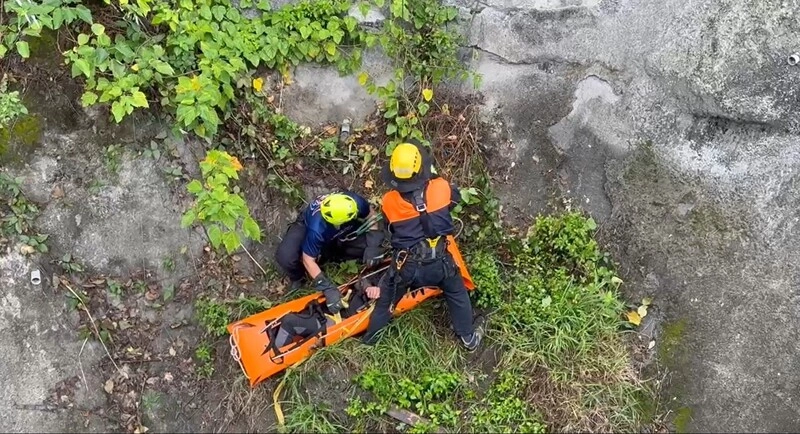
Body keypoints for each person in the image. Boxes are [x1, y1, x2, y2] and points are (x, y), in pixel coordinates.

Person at [361, 140, 484, 351]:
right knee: (456, 291)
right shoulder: (441, 188)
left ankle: (370, 342)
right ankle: (468, 338)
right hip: (439, 264)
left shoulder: (389, 201)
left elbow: (390, 229)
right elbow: (454, 199)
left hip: (406, 267)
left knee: (386, 301)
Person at [275, 191, 385, 314]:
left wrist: (374, 245)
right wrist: (327, 288)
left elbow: (371, 216)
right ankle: (299, 277)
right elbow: (308, 259)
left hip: (344, 228)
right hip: (310, 227)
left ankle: (336, 255)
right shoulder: (317, 228)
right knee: (286, 256)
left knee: (368, 246)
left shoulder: (354, 202)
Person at [272, 276, 375, 348]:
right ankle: (277, 336)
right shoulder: (382, 276)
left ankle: (274, 353)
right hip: (328, 307)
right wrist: (368, 287)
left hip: (335, 322)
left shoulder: (386, 303)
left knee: (290, 322)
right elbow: (361, 280)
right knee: (294, 319)